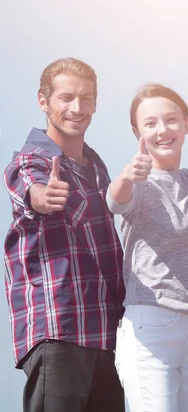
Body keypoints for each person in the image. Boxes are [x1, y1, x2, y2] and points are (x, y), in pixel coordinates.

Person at [3, 57, 125, 412]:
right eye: (66, 97)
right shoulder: (31, 161)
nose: (77, 108)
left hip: (106, 336)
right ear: (44, 102)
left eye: (86, 98)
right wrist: (42, 196)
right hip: (60, 332)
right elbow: (32, 191)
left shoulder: (97, 165)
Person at [106, 84, 188, 412]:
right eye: (150, 123)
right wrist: (127, 175)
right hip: (150, 329)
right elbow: (115, 199)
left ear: (186, 124)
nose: (162, 130)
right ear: (137, 131)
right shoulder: (138, 182)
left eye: (171, 120)